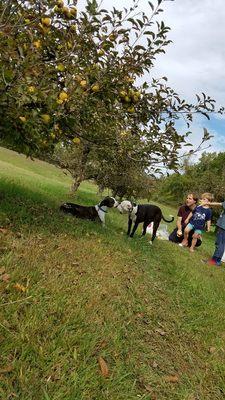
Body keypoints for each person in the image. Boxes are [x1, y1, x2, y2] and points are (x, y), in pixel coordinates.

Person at [203, 199, 225, 266]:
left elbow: (219, 204)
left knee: (220, 244)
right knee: (222, 244)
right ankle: (216, 260)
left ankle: (215, 261)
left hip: (223, 227)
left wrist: (208, 203)